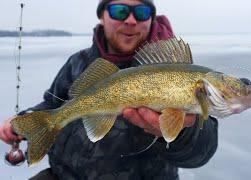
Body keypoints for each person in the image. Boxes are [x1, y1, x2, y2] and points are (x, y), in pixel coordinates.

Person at [0, 0, 219, 179]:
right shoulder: (78, 62)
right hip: (64, 175)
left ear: (151, 18)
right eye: (119, 10)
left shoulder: (175, 69)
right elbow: (52, 104)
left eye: (142, 12)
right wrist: (24, 119)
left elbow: (201, 150)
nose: (131, 20)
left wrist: (181, 132)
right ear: (102, 15)